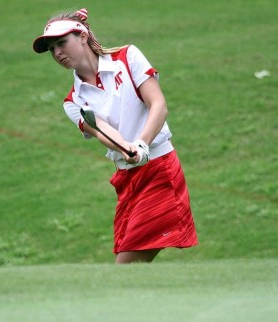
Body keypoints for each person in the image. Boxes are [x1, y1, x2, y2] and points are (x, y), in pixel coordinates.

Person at [32, 8, 198, 264]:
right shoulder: (73, 101)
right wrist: (125, 149)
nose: (57, 53)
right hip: (127, 179)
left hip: (160, 170)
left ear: (83, 36)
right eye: (52, 49)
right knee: (128, 263)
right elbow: (102, 131)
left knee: (127, 265)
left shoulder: (127, 56)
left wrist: (141, 144)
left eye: (62, 43)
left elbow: (158, 105)